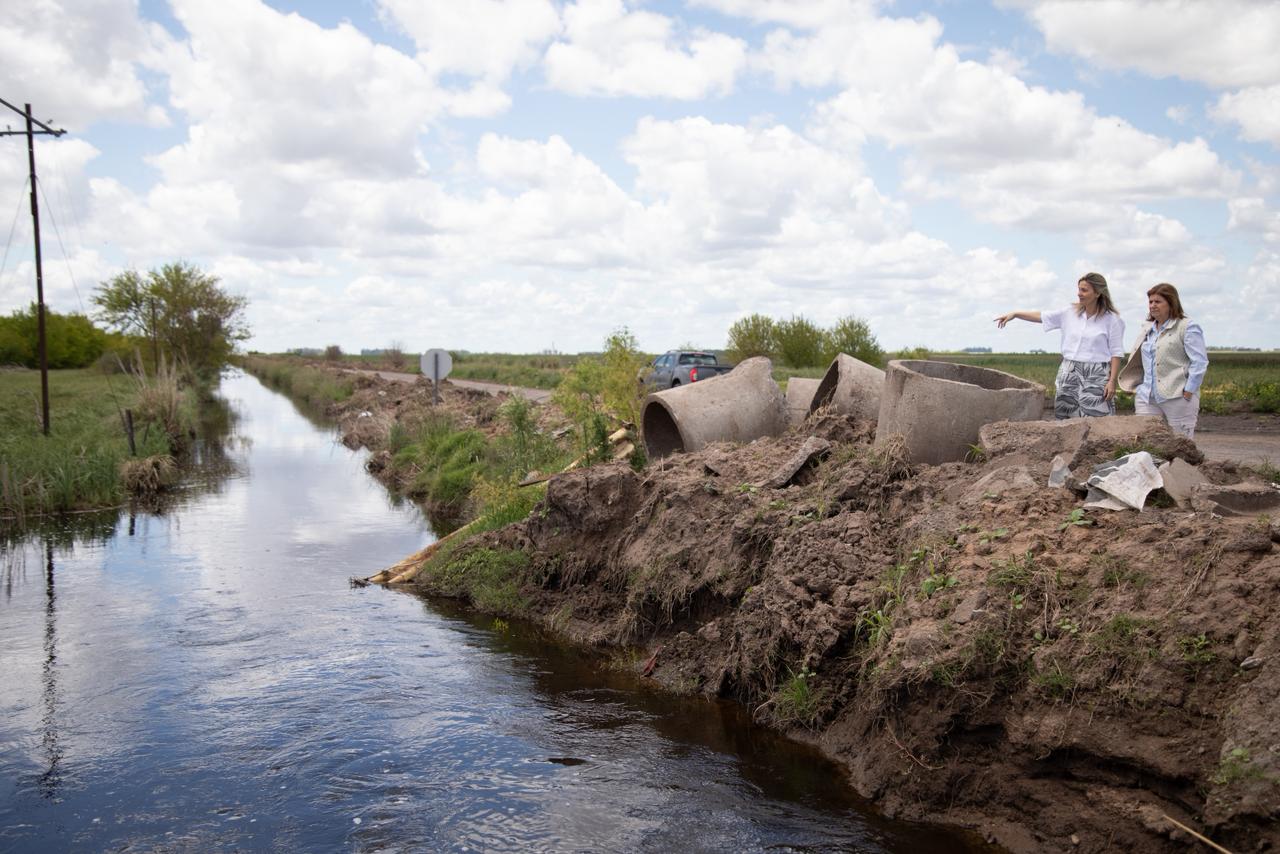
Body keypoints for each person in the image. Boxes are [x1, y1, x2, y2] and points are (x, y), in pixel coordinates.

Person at [994, 272, 1125, 419]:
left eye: (1084, 290)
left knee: (1097, 420)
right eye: (1079, 289)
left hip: (1097, 375)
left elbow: (1116, 353)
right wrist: (1016, 314)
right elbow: (1041, 316)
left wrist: (1112, 381)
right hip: (1068, 372)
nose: (1079, 294)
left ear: (1098, 293)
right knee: (1065, 419)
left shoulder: (1112, 320)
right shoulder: (1069, 312)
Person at [1117, 282, 1208, 439]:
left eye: (1158, 301)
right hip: (1147, 397)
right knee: (1146, 443)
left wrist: (1188, 391)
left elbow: (1199, 362)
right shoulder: (1147, 329)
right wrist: (1138, 387)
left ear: (1171, 303)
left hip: (1177, 395)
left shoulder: (1187, 326)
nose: (1152, 305)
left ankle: (1177, 465)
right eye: (1150, 302)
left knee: (1181, 444)